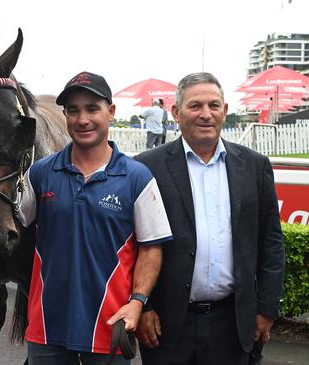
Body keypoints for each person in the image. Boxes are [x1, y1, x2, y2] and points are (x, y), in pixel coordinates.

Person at [18, 71, 172, 364]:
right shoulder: (40, 173)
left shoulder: (137, 177)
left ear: (111, 112)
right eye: (73, 111)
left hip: (109, 326)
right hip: (47, 328)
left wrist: (138, 302)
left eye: (92, 109)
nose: (82, 119)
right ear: (64, 115)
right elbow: (12, 222)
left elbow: (151, 248)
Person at [134, 72, 285, 365]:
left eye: (214, 105)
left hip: (233, 325)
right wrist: (144, 305)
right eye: (195, 106)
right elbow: (133, 244)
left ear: (225, 111)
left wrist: (267, 309)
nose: (206, 114)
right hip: (166, 325)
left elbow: (271, 242)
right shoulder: (146, 167)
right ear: (176, 113)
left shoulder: (255, 166)